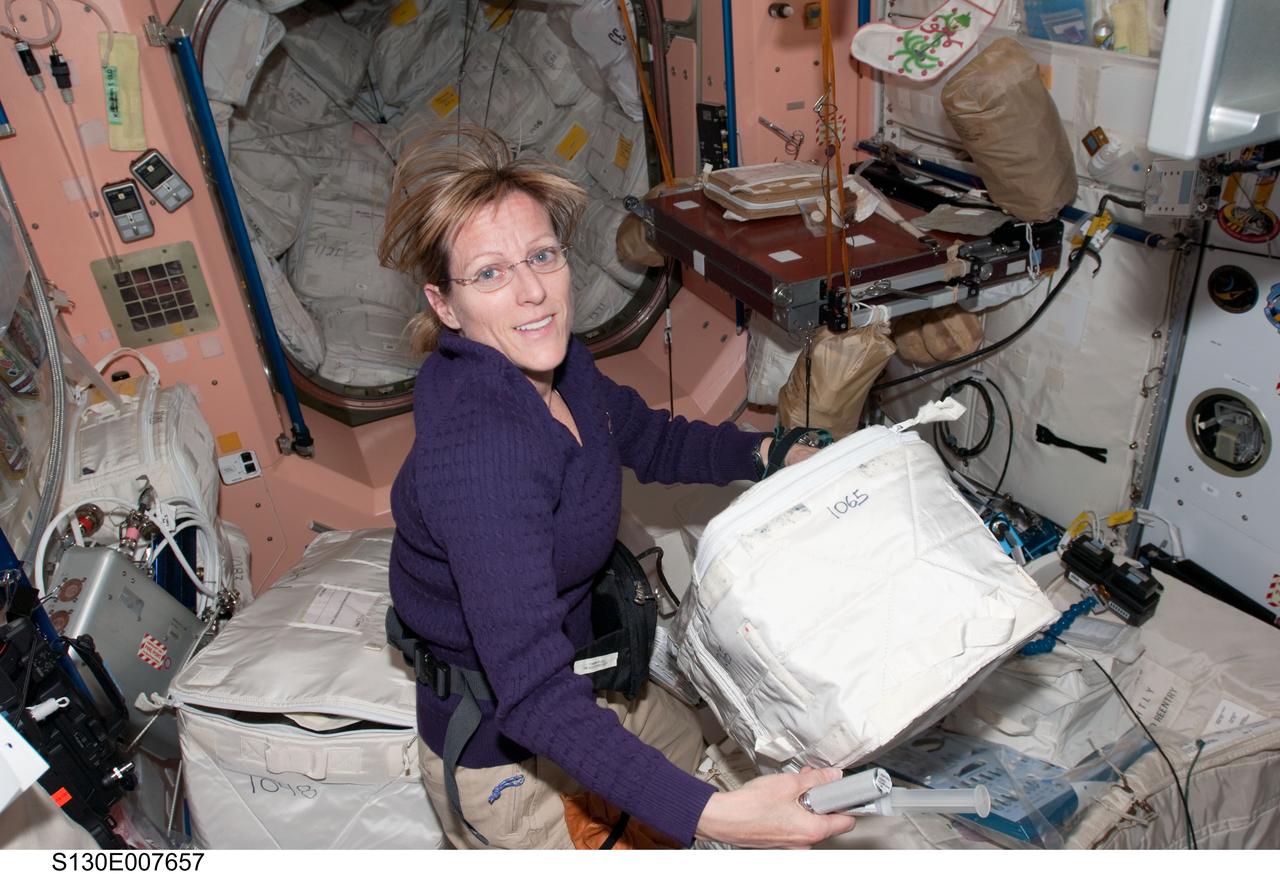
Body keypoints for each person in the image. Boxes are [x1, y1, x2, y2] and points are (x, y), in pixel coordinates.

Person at [379, 124, 855, 850]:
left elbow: (648, 437)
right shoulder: (482, 459)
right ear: (445, 306)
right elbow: (533, 697)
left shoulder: (559, 366)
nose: (534, 292)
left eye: (542, 256)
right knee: (693, 808)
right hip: (509, 748)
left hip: (589, 677)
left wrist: (768, 452)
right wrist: (720, 816)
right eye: (490, 273)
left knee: (688, 750)